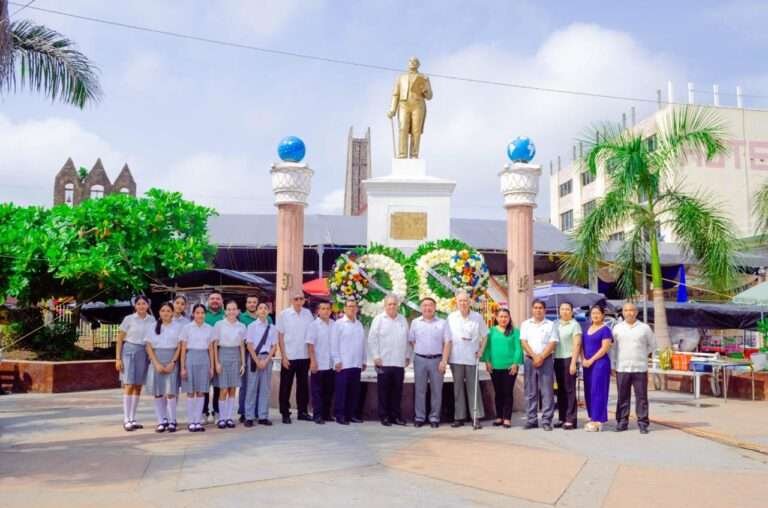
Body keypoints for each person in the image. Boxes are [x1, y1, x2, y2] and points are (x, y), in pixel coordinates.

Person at [445, 291, 488, 428]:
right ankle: (459, 417)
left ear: (469, 302)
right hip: (456, 356)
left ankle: (476, 417)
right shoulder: (451, 317)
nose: (463, 303)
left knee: (473, 388)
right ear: (456, 303)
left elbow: (485, 335)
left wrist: (481, 350)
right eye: (460, 301)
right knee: (457, 388)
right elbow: (446, 338)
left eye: (465, 301)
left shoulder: (477, 317)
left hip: (471, 356)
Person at [612, 302, 656, 434]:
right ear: (623, 313)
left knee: (641, 397)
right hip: (622, 367)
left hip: (640, 368)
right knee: (622, 396)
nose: (629, 313)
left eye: (632, 310)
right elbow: (613, 349)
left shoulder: (644, 328)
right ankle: (622, 422)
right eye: (626, 310)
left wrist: (643, 354)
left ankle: (643, 423)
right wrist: (613, 365)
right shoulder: (617, 328)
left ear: (636, 312)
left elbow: (652, 345)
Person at [368, 294, 411, 426]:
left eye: (394, 304)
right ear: (385, 305)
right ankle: (384, 416)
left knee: (397, 391)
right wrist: (376, 356)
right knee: (384, 391)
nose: (392, 306)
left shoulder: (402, 319)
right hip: (384, 362)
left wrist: (407, 356)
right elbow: (372, 339)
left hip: (398, 362)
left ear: (398, 305)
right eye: (389, 304)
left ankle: (396, 416)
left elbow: (408, 340)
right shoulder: (379, 319)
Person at [115, 295, 156, 432]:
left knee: (138, 386)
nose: (141, 306)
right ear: (135, 305)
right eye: (138, 304)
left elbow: (153, 338)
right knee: (129, 384)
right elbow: (120, 339)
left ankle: (133, 418)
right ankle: (126, 419)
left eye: (144, 303)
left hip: (144, 352)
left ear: (148, 305)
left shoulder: (152, 320)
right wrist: (118, 358)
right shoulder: (129, 319)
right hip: (129, 351)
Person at [408, 297, 449, 428]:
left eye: (430, 305)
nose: (427, 308)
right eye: (425, 305)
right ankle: (419, 417)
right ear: (421, 308)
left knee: (437, 390)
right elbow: (411, 340)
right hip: (420, 359)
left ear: (435, 307)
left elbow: (447, 342)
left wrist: (444, 360)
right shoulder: (415, 322)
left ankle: (434, 418)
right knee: (420, 390)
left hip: (437, 360)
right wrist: (420, 351)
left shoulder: (442, 323)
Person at [520, 299, 558, 431]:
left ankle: (546, 420)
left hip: (546, 360)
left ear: (545, 310)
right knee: (530, 392)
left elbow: (553, 342)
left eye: (540, 308)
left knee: (547, 392)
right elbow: (523, 342)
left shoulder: (551, 324)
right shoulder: (526, 324)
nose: (538, 310)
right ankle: (531, 419)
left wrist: (541, 356)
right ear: (532, 309)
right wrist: (535, 356)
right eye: (535, 307)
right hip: (530, 359)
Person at [481, 308, 523, 429]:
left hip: (510, 367)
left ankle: (507, 418)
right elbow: (487, 348)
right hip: (495, 366)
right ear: (496, 318)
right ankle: (499, 417)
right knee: (498, 392)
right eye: (501, 316)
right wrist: (487, 361)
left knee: (508, 392)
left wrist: (515, 363)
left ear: (509, 318)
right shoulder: (491, 331)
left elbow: (518, 348)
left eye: (506, 317)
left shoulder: (515, 332)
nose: (503, 319)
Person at [276, 292, 314, 424]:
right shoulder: (284, 314)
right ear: (292, 300)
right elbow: (280, 336)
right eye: (296, 299)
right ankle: (285, 413)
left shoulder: (308, 314)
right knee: (286, 386)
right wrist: (283, 356)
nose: (299, 301)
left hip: (304, 356)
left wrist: (311, 356)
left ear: (304, 300)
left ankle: (302, 411)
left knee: (303, 386)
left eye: (301, 299)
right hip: (289, 356)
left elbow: (311, 335)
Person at [144, 302, 182, 433]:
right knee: (158, 393)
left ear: (172, 312)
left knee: (171, 393)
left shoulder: (178, 327)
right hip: (157, 360)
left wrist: (173, 362)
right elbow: (148, 346)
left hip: (171, 359)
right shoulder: (152, 327)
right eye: (163, 310)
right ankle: (161, 421)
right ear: (159, 312)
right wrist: (156, 363)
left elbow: (180, 346)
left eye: (168, 311)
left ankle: (172, 420)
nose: (165, 313)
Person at [180, 304, 215, 432]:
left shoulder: (209, 329)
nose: (200, 315)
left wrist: (211, 367)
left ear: (205, 314)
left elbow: (211, 349)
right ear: (193, 314)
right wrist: (183, 367)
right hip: (191, 358)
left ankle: (198, 420)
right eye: (197, 312)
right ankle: (191, 421)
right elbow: (183, 349)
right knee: (191, 391)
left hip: (204, 359)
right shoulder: (187, 328)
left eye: (202, 313)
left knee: (201, 391)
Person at [331, 299, 366, 425]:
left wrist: (363, 360)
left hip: (356, 363)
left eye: (354, 307)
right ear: (344, 309)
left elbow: (362, 344)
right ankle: (340, 415)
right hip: (343, 364)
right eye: (349, 306)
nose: (352, 309)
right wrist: (337, 360)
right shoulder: (338, 324)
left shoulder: (359, 325)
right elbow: (334, 344)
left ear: (357, 309)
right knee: (342, 391)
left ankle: (351, 415)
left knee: (353, 391)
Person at [212, 301, 246, 429]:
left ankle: (229, 417)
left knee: (233, 389)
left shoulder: (241, 326)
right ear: (225, 311)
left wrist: (243, 363)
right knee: (223, 388)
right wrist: (216, 362)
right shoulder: (219, 324)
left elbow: (242, 345)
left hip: (236, 356)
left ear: (238, 311)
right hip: (223, 354)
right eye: (229, 309)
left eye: (234, 309)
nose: (231, 312)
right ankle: (221, 417)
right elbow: (215, 344)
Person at [244, 302, 278, 427]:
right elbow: (249, 344)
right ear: (257, 312)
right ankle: (249, 416)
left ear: (269, 312)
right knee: (251, 387)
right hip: (254, 357)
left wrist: (267, 359)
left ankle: (263, 415)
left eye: (265, 308)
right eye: (260, 308)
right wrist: (257, 361)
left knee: (265, 388)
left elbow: (274, 346)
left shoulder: (272, 328)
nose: (263, 310)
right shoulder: (252, 326)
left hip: (267, 358)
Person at [582, 305, 614, 432]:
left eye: (598, 313)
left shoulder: (605, 330)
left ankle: (598, 420)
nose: (595, 315)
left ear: (603, 315)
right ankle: (592, 417)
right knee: (589, 390)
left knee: (598, 391)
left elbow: (604, 348)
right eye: (593, 313)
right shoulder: (587, 328)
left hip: (600, 364)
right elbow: (582, 346)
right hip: (587, 364)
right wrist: (583, 359)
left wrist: (591, 360)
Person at [553, 302, 582, 430]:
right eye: (562, 309)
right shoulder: (555, 324)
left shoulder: (575, 325)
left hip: (569, 359)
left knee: (570, 390)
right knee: (560, 390)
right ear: (559, 311)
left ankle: (571, 419)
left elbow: (577, 345)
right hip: (557, 359)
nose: (565, 311)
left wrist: (573, 362)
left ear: (571, 311)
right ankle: (562, 417)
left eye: (567, 309)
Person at [306, 301, 335, 424]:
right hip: (318, 363)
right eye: (323, 308)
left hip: (330, 364)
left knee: (328, 390)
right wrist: (313, 361)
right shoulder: (313, 325)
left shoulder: (334, 324)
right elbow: (310, 345)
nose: (325, 311)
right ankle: (317, 415)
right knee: (317, 391)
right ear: (318, 311)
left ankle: (327, 414)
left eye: (328, 308)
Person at [202, 291, 225, 424]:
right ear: (208, 301)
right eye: (212, 299)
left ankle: (217, 411)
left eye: (217, 298)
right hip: (204, 352)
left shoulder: (225, 315)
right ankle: (204, 411)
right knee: (204, 384)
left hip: (220, 353)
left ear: (221, 301)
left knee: (218, 384)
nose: (215, 301)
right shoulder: (202, 315)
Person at [237, 294, 261, 421]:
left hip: (260, 354)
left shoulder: (263, 317)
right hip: (245, 353)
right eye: (249, 302)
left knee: (257, 384)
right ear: (246, 304)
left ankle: (256, 410)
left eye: (254, 302)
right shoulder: (241, 318)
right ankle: (243, 411)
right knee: (245, 384)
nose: (252, 304)